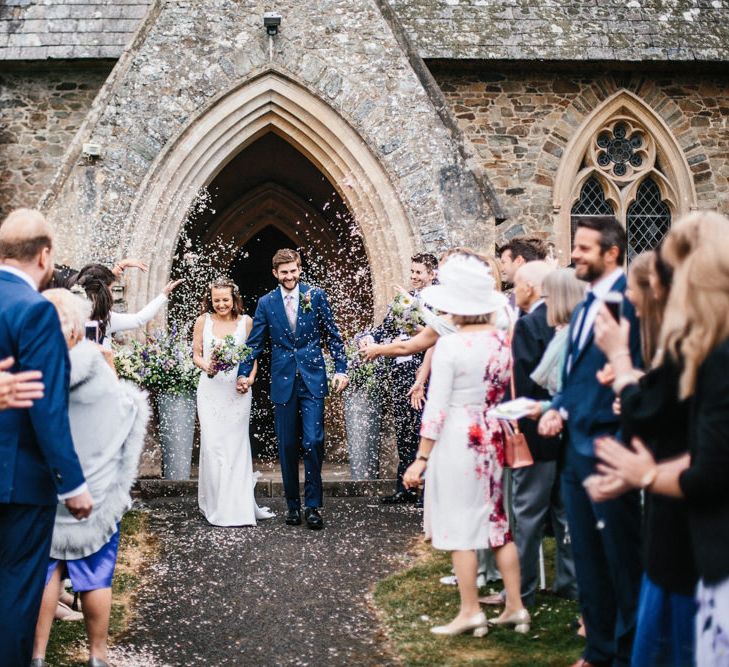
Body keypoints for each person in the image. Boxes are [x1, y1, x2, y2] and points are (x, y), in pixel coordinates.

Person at [593, 230, 729, 667]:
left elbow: (711, 466)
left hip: (699, 548)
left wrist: (648, 475)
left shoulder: (710, 355)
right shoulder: (700, 350)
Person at [402, 255, 529, 637]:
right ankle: (516, 607)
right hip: (492, 434)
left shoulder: (452, 347)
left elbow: (437, 408)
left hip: (460, 439)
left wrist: (421, 458)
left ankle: (471, 611)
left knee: (460, 526)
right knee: (497, 523)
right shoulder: (500, 341)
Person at [538, 215, 643, 667]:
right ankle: (598, 649)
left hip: (610, 449)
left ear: (612, 253)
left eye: (583, 248)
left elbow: (634, 376)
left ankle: (628, 651)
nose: (573, 255)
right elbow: (577, 379)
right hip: (575, 453)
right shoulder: (583, 307)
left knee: (621, 557)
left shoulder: (632, 306)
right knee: (588, 556)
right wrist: (558, 407)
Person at [31, 288, 150, 667]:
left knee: (49, 569)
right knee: (96, 574)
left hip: (51, 487)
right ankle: (97, 655)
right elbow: (122, 413)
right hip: (94, 491)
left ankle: (36, 655)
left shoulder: (34, 367)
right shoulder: (95, 364)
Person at [0, 209, 93, 666]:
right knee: (15, 593)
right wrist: (72, 485)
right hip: (19, 484)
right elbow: (47, 408)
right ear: (45, 255)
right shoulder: (34, 311)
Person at [237, 249, 348, 530]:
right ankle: (292, 505)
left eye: (293, 270)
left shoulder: (316, 296)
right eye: (284, 272)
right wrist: (242, 373)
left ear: (300, 269)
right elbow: (255, 343)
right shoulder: (266, 303)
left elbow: (333, 335)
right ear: (275, 274)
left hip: (312, 379)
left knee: (313, 441)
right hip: (283, 381)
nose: (290, 276)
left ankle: (313, 506)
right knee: (286, 446)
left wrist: (341, 368)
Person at [508, 261, 577, 608]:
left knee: (527, 515)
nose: (514, 289)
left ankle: (521, 591)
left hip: (536, 433)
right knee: (567, 513)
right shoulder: (572, 323)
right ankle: (570, 584)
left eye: (518, 284)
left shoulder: (529, 324)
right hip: (570, 430)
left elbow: (522, 383)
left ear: (532, 287)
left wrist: (513, 418)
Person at [192, 278, 274, 526]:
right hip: (210, 389)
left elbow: (253, 356)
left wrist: (248, 379)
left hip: (236, 392)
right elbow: (196, 354)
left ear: (234, 299)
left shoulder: (246, 322)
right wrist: (207, 365)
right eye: (216, 300)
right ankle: (216, 505)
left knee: (235, 446)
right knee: (213, 446)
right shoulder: (203, 321)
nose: (221, 304)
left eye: (225, 299)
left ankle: (236, 507)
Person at [367, 252, 438, 504]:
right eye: (412, 272)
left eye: (419, 272)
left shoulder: (439, 300)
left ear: (432, 274)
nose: (414, 277)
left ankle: (425, 489)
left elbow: (434, 334)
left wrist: (411, 330)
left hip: (425, 371)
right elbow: (385, 328)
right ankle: (404, 487)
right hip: (401, 371)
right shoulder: (404, 299)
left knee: (424, 427)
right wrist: (369, 340)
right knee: (404, 429)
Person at [72, 263, 183, 341]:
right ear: (103, 291)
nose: (111, 294)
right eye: (110, 290)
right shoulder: (104, 319)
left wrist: (120, 266)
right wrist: (163, 295)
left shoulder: (69, 312)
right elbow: (139, 319)